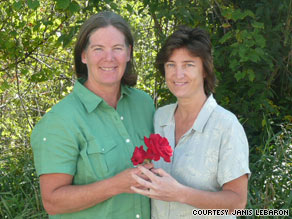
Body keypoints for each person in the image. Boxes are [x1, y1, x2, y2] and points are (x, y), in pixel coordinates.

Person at [30, 11, 155, 219]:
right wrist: (116, 185)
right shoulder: (60, 120)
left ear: (129, 53)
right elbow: (52, 201)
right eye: (98, 49)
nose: (109, 58)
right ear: (84, 55)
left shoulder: (144, 104)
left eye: (117, 48)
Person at [131, 26, 251, 219]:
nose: (178, 74)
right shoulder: (159, 117)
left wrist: (180, 193)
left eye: (188, 65)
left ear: (205, 70)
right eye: (171, 65)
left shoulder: (226, 126)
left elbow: (237, 202)